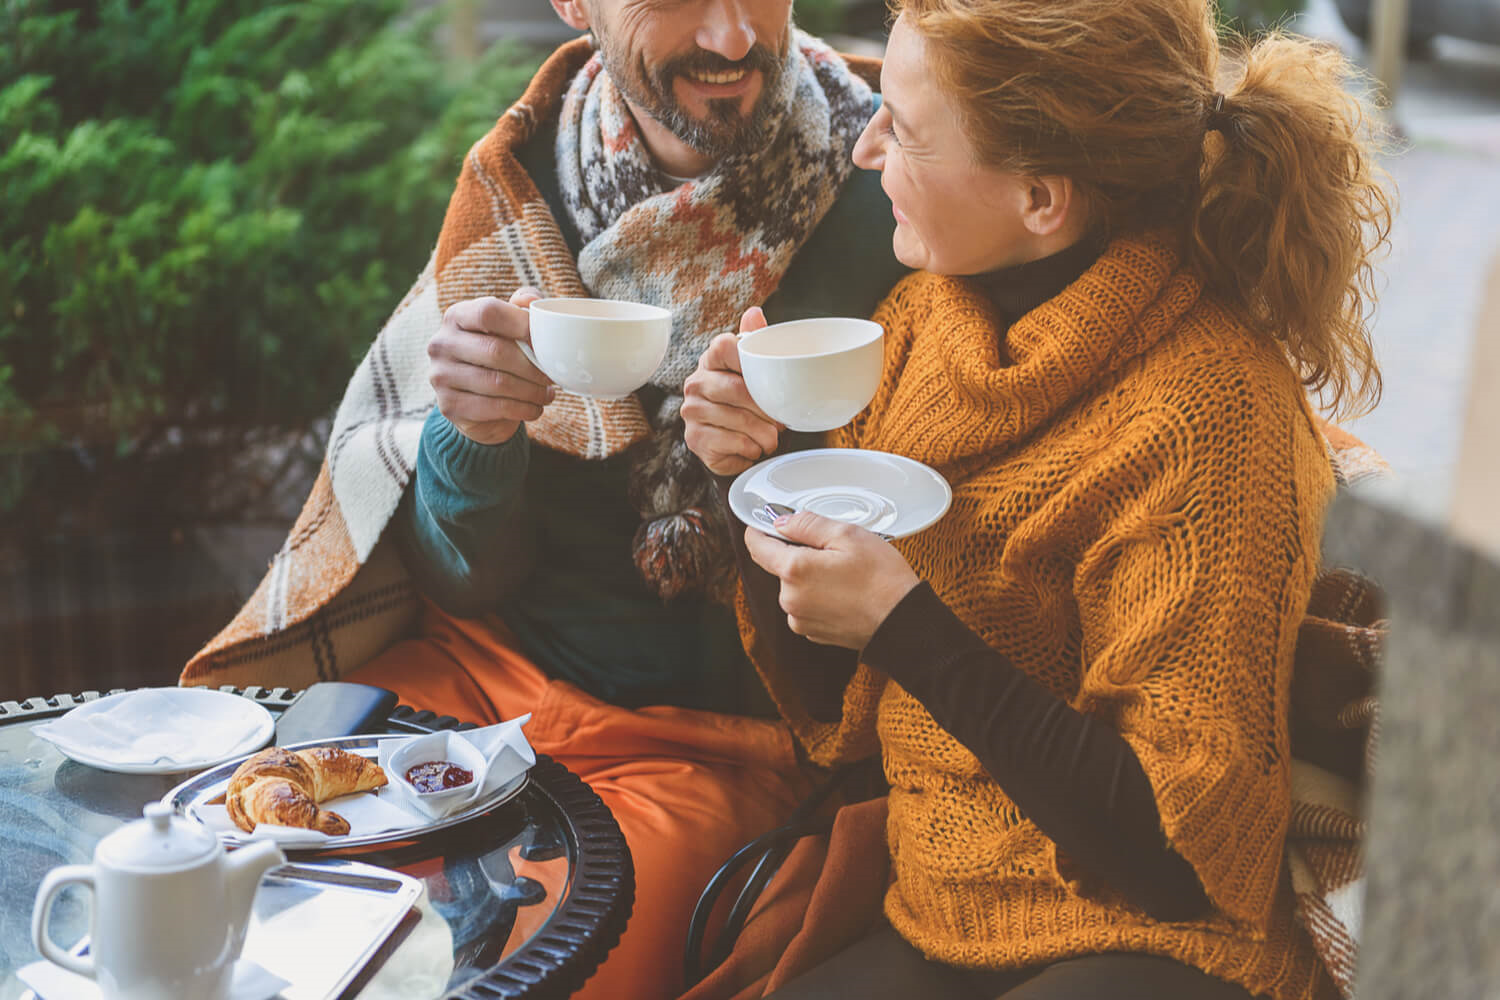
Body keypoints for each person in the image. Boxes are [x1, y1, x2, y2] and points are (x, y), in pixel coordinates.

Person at [180, 0, 907, 996]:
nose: (735, 36)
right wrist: (469, 435)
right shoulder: (519, 183)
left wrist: (757, 482)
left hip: (703, 744)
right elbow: (462, 578)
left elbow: (927, 554)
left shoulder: (887, 183)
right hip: (469, 682)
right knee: (224, 877)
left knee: (509, 975)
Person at [681, 0, 1391, 996]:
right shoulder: (930, 324)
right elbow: (840, 693)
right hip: (942, 902)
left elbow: (1177, 855)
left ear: (1042, 198)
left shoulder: (1210, 417)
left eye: (908, 129)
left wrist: (902, 624)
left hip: (1149, 943)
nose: (866, 148)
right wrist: (751, 481)